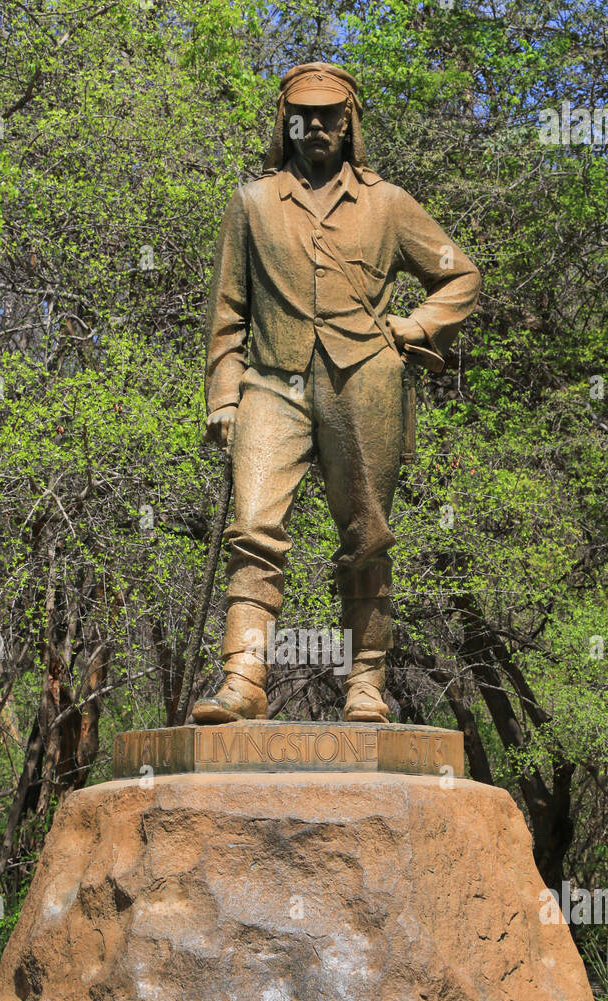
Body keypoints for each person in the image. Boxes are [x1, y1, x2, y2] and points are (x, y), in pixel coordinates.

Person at [193, 62, 480, 724]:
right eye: (304, 114)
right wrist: (223, 395)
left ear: (350, 122)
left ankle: (367, 683)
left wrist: (415, 326)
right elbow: (228, 312)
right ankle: (243, 678)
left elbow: (459, 274)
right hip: (272, 381)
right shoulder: (253, 204)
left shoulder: (388, 204)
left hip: (365, 381)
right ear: (285, 120)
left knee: (367, 537)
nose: (316, 125)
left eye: (329, 115)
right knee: (254, 527)